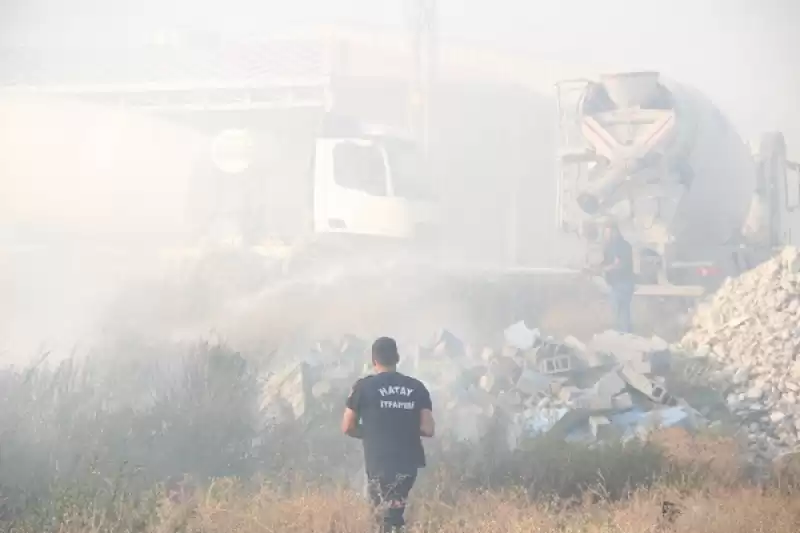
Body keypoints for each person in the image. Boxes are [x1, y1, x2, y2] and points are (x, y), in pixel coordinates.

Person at [341, 337, 435, 533]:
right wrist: (404, 429)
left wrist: (372, 433)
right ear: (398, 358)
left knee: (379, 515)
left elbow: (347, 426)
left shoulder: (363, 387)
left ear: (374, 360)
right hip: (408, 462)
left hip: (378, 461)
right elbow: (428, 429)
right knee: (400, 514)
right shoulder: (417, 387)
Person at [599, 221, 635, 333]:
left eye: (608, 233)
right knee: (619, 313)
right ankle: (623, 334)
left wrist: (606, 269)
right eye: (605, 233)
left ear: (615, 232)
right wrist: (595, 268)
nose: (606, 236)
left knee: (621, 313)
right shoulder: (609, 247)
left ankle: (624, 335)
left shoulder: (622, 246)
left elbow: (620, 264)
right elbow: (606, 262)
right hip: (615, 285)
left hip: (623, 284)